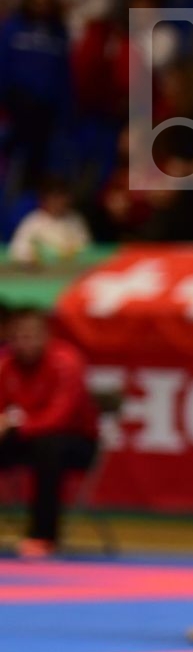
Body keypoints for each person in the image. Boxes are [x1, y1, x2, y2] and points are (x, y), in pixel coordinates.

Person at [0, 307, 98, 558]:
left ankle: (43, 536)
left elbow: (59, 416)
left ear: (46, 336)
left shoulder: (66, 362)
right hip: (25, 436)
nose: (24, 344)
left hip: (75, 441)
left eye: (30, 337)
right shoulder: (6, 365)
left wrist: (15, 423)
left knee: (48, 448)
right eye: (18, 338)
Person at [8, 177, 92, 264]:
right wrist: (33, 255)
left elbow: (86, 247)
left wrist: (71, 252)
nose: (59, 202)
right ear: (45, 199)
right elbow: (18, 250)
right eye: (55, 197)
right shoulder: (33, 221)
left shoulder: (75, 219)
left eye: (62, 197)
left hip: (69, 270)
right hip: (42, 273)